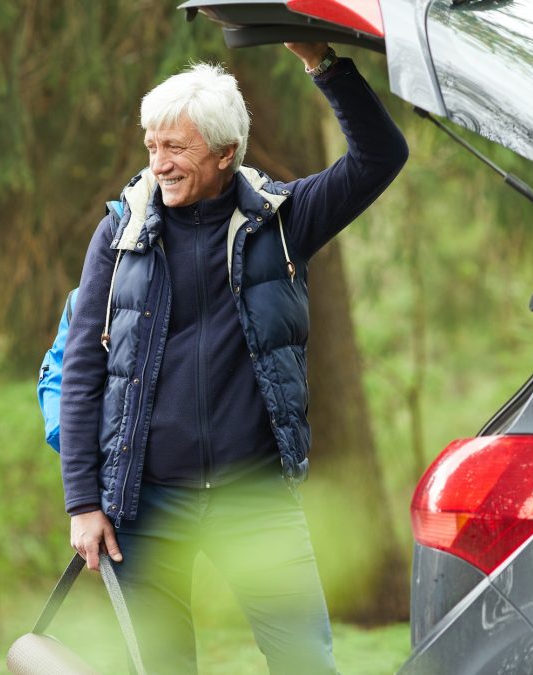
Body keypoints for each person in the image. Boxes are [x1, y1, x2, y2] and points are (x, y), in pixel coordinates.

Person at [59, 43, 408, 673]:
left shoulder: (282, 222)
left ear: (225, 153)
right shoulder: (121, 233)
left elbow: (381, 156)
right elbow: (85, 368)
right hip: (147, 502)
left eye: (176, 148)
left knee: (307, 662)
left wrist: (323, 65)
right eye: (151, 146)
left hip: (258, 500)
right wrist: (84, 502)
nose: (158, 164)